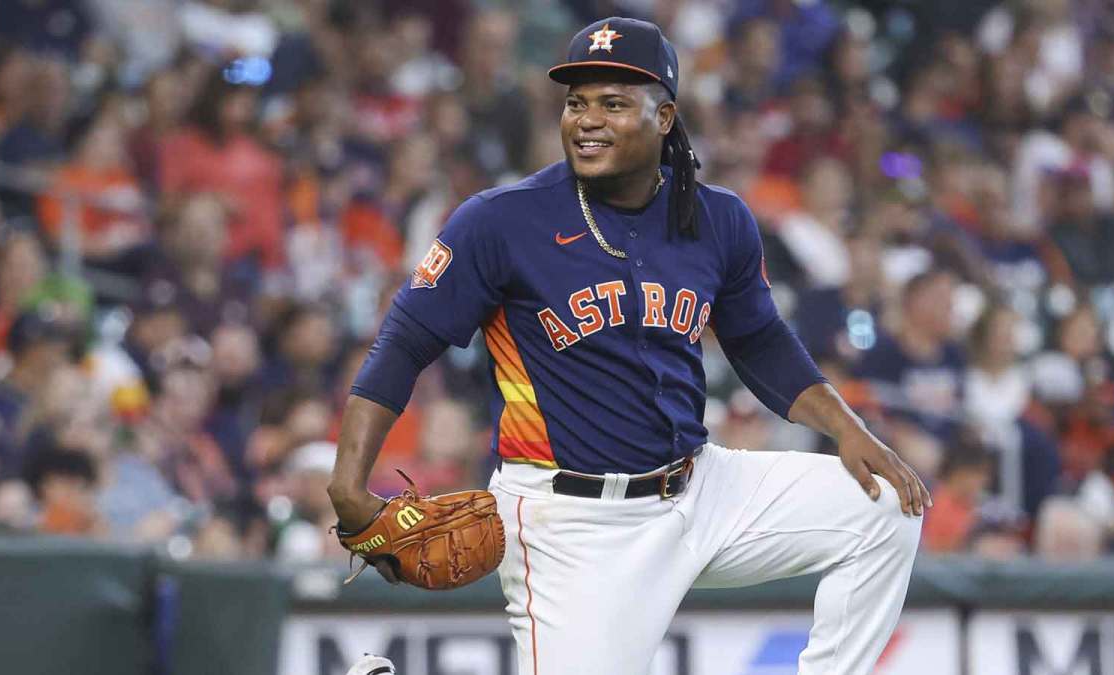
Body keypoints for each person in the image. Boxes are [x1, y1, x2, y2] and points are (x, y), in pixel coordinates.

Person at [328, 18, 929, 675]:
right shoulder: (501, 221)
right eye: (576, 102)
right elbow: (405, 339)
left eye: (613, 102)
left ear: (665, 115)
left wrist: (847, 427)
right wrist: (348, 483)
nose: (588, 119)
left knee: (883, 506)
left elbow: (759, 340)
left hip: (700, 488)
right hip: (574, 523)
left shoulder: (716, 216)